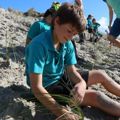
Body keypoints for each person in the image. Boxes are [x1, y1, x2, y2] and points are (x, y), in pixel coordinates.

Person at [25, 3, 120, 120]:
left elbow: (71, 71)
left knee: (101, 74)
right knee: (96, 96)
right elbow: (36, 87)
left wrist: (81, 83)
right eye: (69, 31)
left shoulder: (67, 43)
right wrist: (62, 112)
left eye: (74, 34)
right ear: (57, 21)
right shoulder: (38, 45)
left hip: (61, 76)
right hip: (48, 86)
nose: (70, 37)